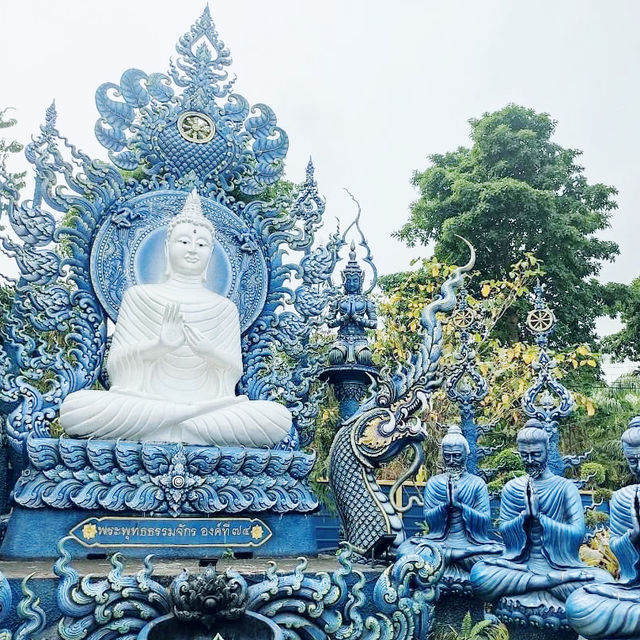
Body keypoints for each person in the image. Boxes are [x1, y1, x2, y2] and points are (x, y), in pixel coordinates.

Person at [59, 189, 292, 447]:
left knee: (276, 418)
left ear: (211, 253)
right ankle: (186, 428)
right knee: (75, 409)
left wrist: (209, 352)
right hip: (145, 405)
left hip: (208, 408)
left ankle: (166, 427)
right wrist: (159, 346)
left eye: (202, 244)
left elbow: (232, 374)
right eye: (184, 242)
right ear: (167, 248)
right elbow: (116, 368)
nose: (193, 249)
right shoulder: (139, 297)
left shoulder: (224, 309)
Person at [470, 423, 612, 614]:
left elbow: (578, 533)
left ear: (547, 450)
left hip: (560, 566)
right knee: (480, 574)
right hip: (522, 566)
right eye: (524, 455)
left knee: (604, 582)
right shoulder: (512, 488)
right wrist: (524, 517)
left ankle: (544, 581)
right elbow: (504, 530)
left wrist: (540, 518)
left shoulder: (565, 488)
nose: (530, 460)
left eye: (536, 454)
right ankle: (547, 582)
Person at [397, 425, 502, 590]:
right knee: (405, 551)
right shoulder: (434, 483)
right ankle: (459, 557)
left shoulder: (477, 483)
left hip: (471, 544)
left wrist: (461, 507)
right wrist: (446, 506)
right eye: (447, 456)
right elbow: (430, 519)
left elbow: (485, 520)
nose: (452, 461)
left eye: (456, 456)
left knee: (500, 556)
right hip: (441, 542)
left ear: (466, 455)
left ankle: (452, 557)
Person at [566, 418, 640, 639]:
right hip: (633, 589)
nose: (639, 466)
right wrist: (635, 535)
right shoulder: (622, 497)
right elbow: (616, 545)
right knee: (580, 603)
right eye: (632, 460)